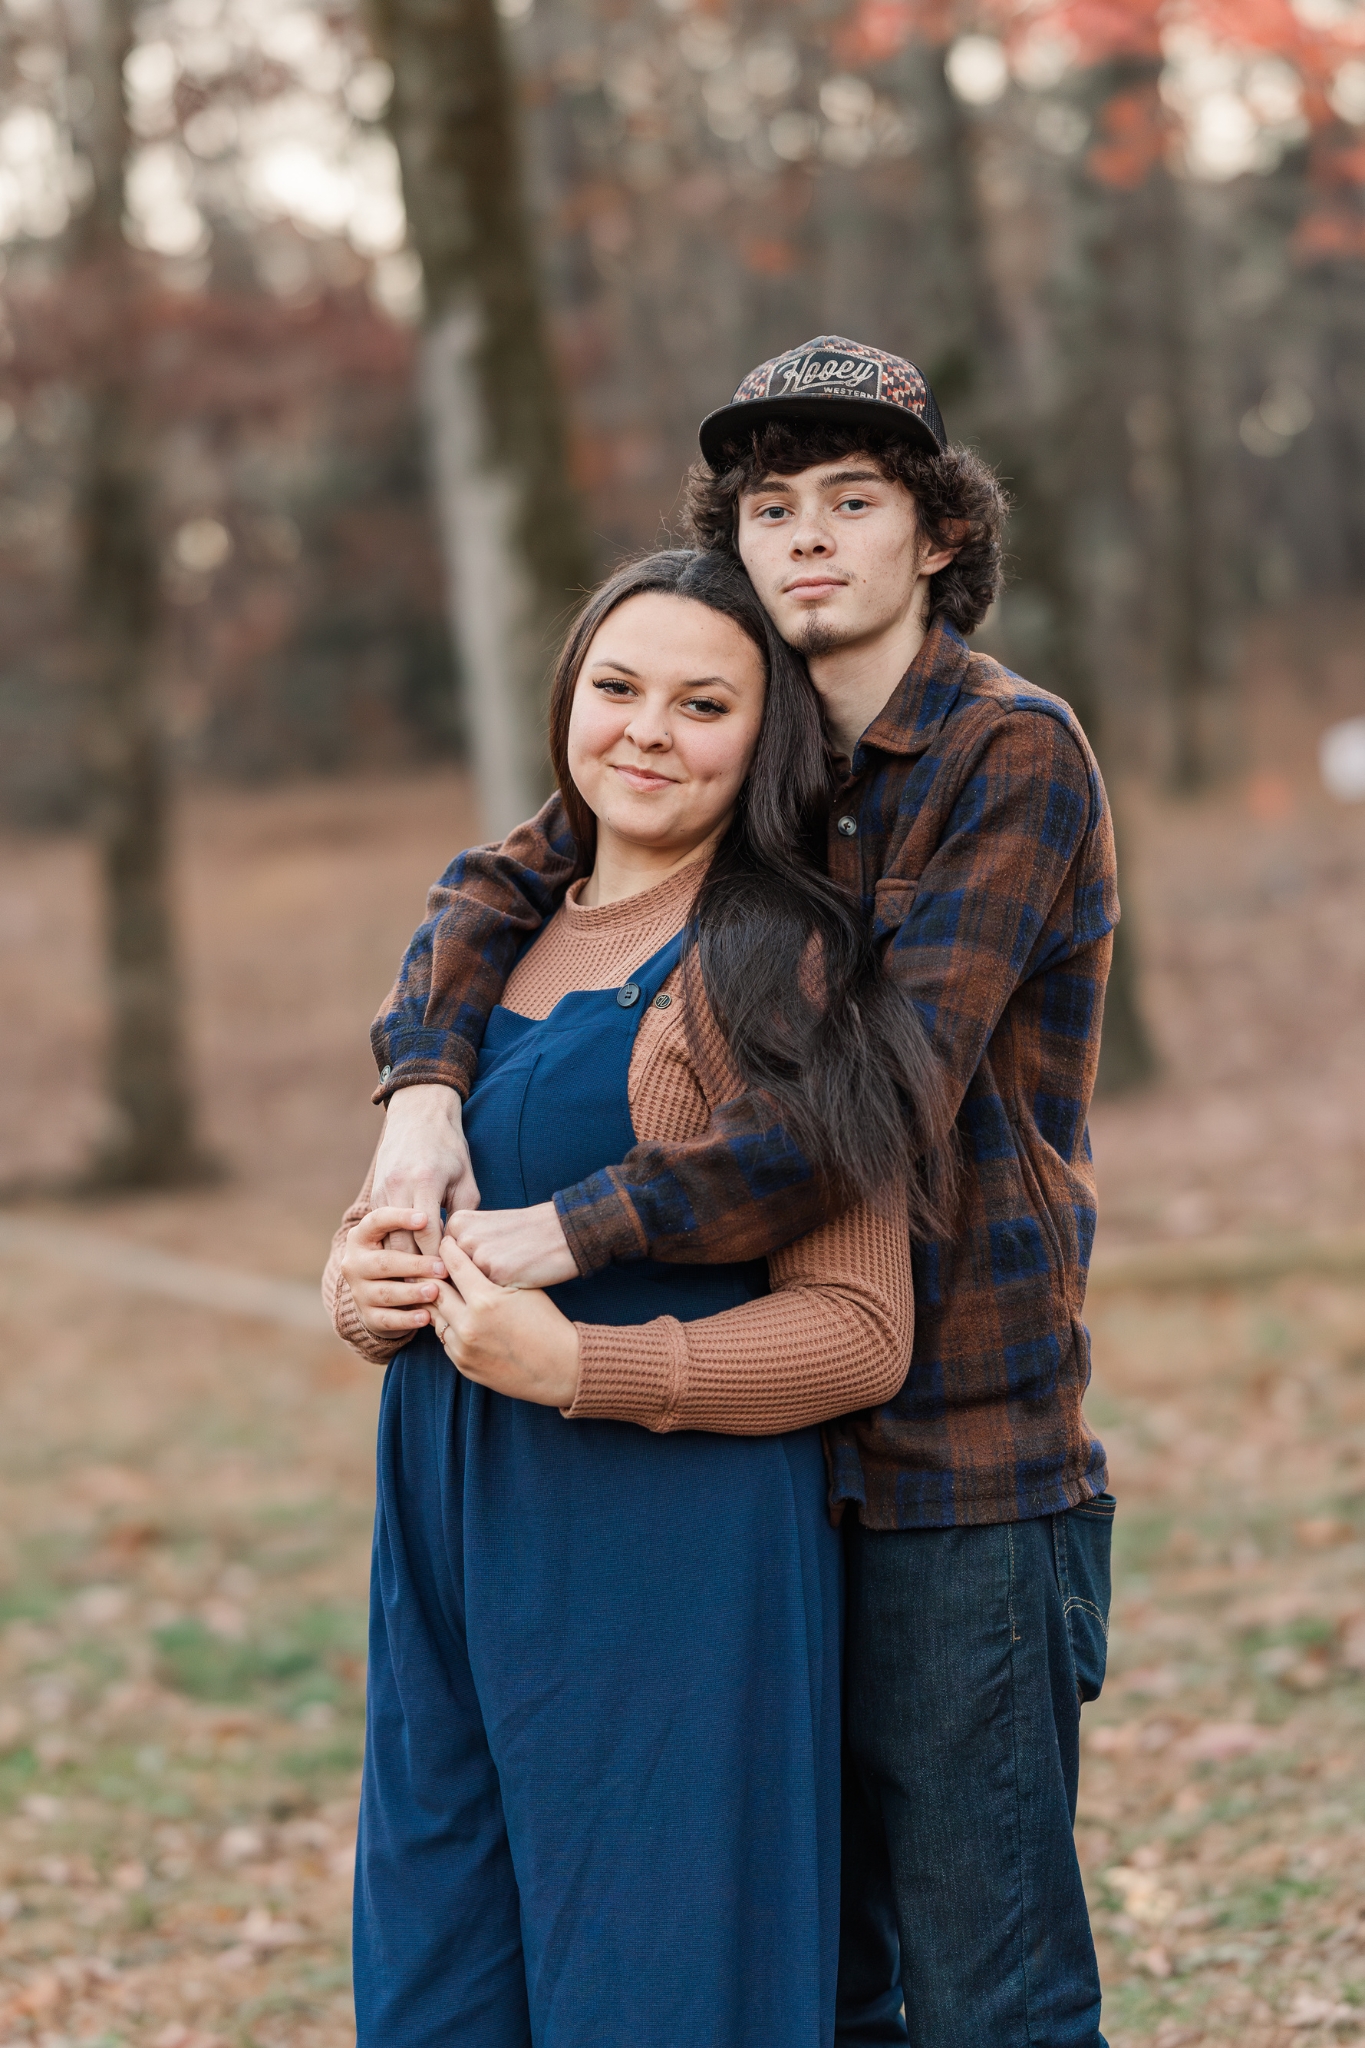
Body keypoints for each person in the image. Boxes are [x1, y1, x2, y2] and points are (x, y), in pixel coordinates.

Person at [365, 337, 1119, 2048]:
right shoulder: (742, 734)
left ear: (934, 534)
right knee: (815, 1980)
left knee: (984, 1988)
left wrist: (564, 1233)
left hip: (956, 1456)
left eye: (854, 503)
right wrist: (420, 1088)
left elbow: (873, 1100)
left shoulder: (1007, 755)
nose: (804, 541)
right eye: (771, 506)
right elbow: (499, 878)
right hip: (758, 1484)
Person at [323, 546, 956, 2048]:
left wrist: (578, 1370)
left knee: (659, 1995)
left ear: (768, 738)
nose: (647, 732)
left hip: (672, 1573)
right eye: (616, 688)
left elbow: (861, 1333)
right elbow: (432, 1232)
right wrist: (370, 1286)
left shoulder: (769, 960)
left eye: (702, 703)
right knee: (438, 1981)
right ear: (565, 703)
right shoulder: (484, 956)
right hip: (454, 1547)